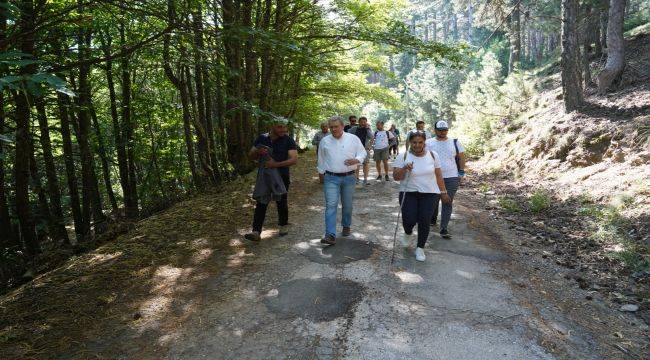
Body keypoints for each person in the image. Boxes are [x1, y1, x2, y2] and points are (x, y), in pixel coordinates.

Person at [393, 131, 450, 261]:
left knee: (424, 219)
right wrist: (404, 169)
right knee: (409, 219)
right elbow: (396, 177)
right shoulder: (403, 156)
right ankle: (408, 232)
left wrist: (443, 192)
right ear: (410, 142)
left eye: (420, 142)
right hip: (408, 192)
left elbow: (438, 175)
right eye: (414, 142)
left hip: (430, 193)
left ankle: (420, 248)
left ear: (424, 142)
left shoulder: (433, 155)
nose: (417, 145)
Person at [244, 119, 298, 241]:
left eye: (284, 127)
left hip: (282, 175)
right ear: (272, 126)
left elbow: (294, 159)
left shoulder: (288, 140)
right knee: (261, 202)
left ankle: (283, 225)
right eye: (279, 127)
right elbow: (251, 155)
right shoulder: (262, 138)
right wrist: (258, 151)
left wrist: (275, 165)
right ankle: (256, 231)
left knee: (281, 200)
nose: (283, 130)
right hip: (265, 176)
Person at [317, 116, 367, 245]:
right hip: (331, 178)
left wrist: (357, 160)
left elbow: (363, 153)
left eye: (336, 126)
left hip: (349, 177)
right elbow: (321, 158)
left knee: (347, 205)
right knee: (331, 205)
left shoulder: (353, 139)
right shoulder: (325, 141)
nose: (333, 129)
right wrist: (321, 173)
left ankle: (346, 225)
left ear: (342, 126)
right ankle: (330, 234)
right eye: (331, 127)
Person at [425, 120, 466, 239]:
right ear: (435, 130)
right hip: (432, 176)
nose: (443, 132)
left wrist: (461, 172)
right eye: (440, 130)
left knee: (447, 201)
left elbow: (462, 156)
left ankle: (444, 228)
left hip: (451, 177)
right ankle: (432, 219)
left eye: (445, 130)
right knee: (433, 200)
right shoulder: (429, 142)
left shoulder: (455, 142)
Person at [347, 116, 373, 185]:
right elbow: (347, 135)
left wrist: (370, 146)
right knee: (356, 164)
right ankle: (356, 179)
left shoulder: (367, 129)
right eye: (362, 122)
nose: (363, 123)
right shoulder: (354, 129)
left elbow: (372, 137)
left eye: (364, 122)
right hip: (356, 149)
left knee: (366, 164)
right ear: (359, 122)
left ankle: (365, 179)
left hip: (365, 149)